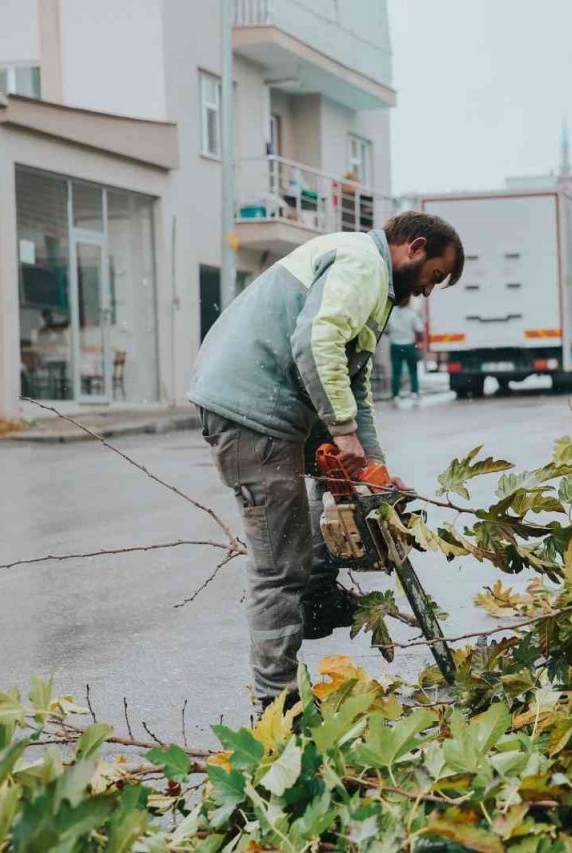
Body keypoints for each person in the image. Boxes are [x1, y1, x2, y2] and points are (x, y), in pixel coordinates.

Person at [187, 212, 464, 714]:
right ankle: (279, 706)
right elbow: (316, 344)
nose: (428, 293)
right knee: (277, 566)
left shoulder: (371, 279)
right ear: (415, 248)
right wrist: (339, 428)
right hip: (253, 411)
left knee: (343, 503)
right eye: (434, 277)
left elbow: (352, 382)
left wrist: (371, 466)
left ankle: (314, 598)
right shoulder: (361, 264)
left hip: (279, 400)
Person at [386, 295, 425, 400]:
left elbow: (386, 330)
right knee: (413, 370)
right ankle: (414, 392)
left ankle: (396, 394)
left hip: (395, 345)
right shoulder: (412, 314)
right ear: (408, 301)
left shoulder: (391, 314)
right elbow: (419, 330)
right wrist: (420, 342)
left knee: (396, 371)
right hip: (409, 345)